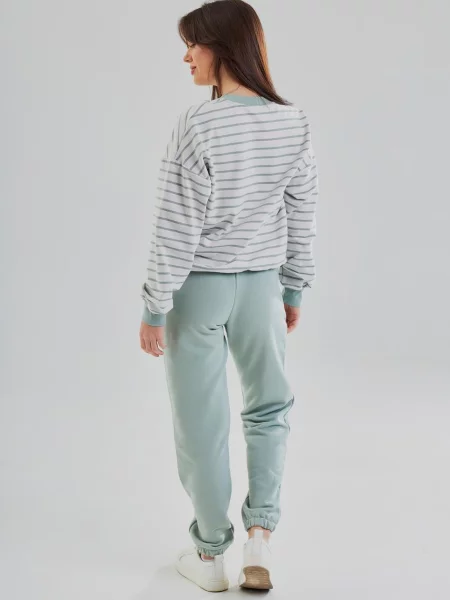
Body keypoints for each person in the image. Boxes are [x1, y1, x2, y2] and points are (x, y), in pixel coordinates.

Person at [139, 0, 318, 592]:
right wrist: (293, 287)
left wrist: (154, 305)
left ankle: (211, 553)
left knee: (202, 421)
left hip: (199, 291)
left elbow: (175, 225)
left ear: (221, 47)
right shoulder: (293, 122)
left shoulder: (199, 124)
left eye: (192, 44)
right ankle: (259, 538)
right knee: (269, 408)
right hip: (263, 288)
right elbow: (303, 214)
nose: (186, 57)